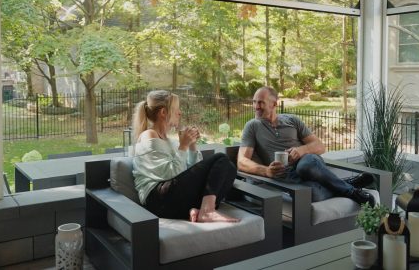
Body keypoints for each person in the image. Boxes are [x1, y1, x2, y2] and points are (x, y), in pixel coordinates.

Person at [237, 86, 375, 206]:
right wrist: (266, 171)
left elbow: (320, 146)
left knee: (305, 165)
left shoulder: (292, 120)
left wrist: (301, 150)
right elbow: (242, 161)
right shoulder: (252, 126)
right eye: (254, 102)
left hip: (309, 165)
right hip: (289, 178)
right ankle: (347, 184)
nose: (256, 107)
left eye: (261, 102)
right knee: (313, 194)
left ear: (274, 104)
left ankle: (351, 192)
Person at [131, 90, 239, 223]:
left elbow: (190, 171)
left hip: (172, 197)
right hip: (157, 200)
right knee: (220, 158)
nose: (180, 112)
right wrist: (183, 146)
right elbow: (169, 175)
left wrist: (192, 145)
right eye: (176, 109)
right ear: (163, 112)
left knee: (229, 168)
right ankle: (207, 211)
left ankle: (200, 210)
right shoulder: (149, 135)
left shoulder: (170, 141)